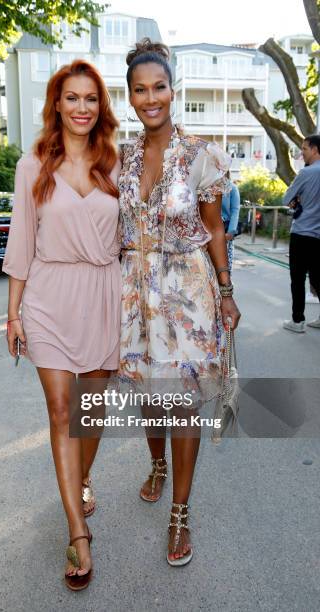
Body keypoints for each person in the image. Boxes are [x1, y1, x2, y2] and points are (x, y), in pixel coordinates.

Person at [118, 39, 241, 567]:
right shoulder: (121, 158)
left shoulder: (201, 155)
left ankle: (180, 513)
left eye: (159, 87)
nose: (151, 98)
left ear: (174, 89)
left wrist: (228, 291)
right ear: (129, 97)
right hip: (137, 295)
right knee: (151, 397)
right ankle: (157, 463)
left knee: (183, 402)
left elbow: (215, 228)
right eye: (140, 90)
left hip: (188, 293)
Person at [3, 60, 121, 591]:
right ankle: (78, 532)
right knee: (60, 411)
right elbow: (22, 242)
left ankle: (83, 478)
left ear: (101, 107)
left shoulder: (115, 162)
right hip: (49, 298)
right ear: (56, 103)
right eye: (71, 98)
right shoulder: (33, 166)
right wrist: (13, 312)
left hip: (102, 294)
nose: (81, 108)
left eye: (90, 99)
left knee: (89, 412)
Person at [282, 134, 320, 332]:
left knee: (297, 278)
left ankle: (298, 321)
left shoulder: (306, 173)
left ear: (315, 150)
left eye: (305, 149)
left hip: (302, 233)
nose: (302, 153)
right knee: (318, 278)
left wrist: (297, 199)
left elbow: (286, 198)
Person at [221, 171, 240, 273]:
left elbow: (235, 211)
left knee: (225, 266)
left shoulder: (232, 188)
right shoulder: (207, 186)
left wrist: (231, 232)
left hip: (226, 229)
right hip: (210, 230)